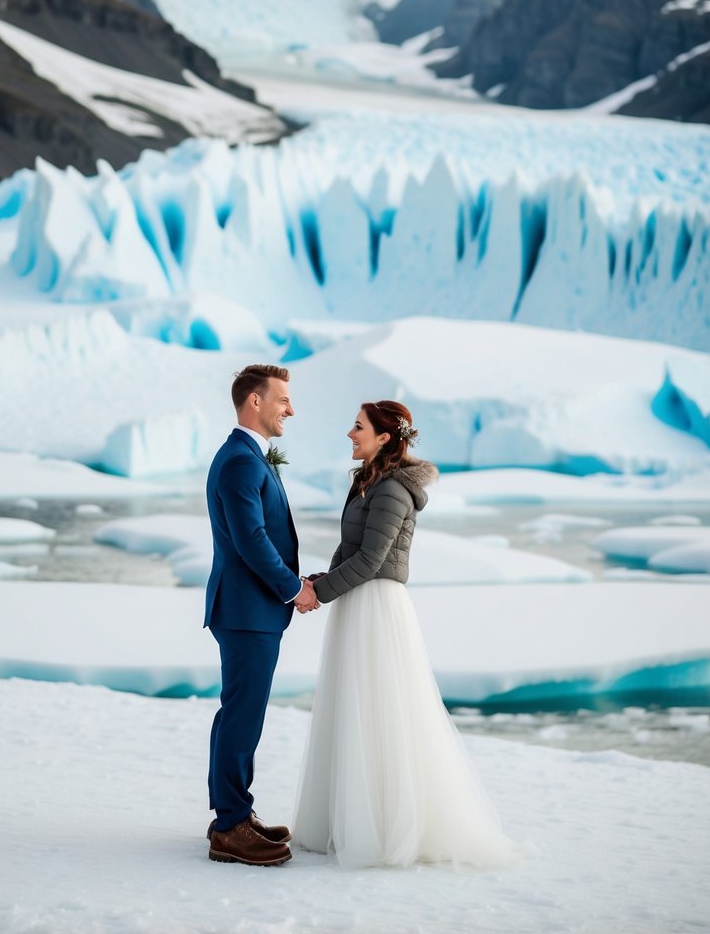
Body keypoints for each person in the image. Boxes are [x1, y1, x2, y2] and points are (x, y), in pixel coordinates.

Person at [293, 399, 521, 871]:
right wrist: (318, 580)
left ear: (383, 438)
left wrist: (322, 593)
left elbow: (374, 560)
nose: (350, 434)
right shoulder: (368, 481)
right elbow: (351, 548)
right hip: (357, 602)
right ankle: (347, 821)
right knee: (354, 710)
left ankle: (381, 828)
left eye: (358, 427)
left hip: (377, 607)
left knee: (381, 713)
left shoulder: (393, 489)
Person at [204, 363, 319, 867]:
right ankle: (229, 827)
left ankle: (235, 812)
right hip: (248, 610)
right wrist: (293, 588)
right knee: (241, 715)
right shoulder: (239, 461)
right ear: (255, 401)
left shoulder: (248, 456)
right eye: (282, 400)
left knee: (240, 713)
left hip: (251, 610)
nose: (289, 409)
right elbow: (251, 539)